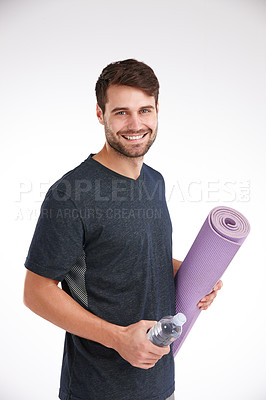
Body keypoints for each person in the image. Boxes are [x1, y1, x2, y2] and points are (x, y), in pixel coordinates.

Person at [23, 59, 222, 400]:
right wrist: (118, 338)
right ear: (100, 114)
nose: (135, 124)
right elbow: (37, 292)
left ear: (157, 110)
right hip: (97, 388)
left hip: (160, 384)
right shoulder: (71, 194)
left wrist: (195, 276)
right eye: (121, 112)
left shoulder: (154, 181)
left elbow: (135, 253)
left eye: (145, 110)